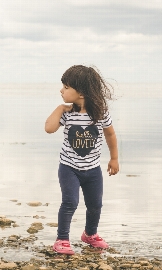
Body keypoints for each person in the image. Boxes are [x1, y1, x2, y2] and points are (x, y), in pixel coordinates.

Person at [45, 65, 120, 255]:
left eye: (66, 87)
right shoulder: (68, 113)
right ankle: (62, 239)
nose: (61, 90)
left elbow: (110, 135)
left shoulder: (100, 113)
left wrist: (114, 158)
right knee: (70, 202)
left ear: (82, 92)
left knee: (95, 204)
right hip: (69, 167)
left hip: (93, 169)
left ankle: (90, 235)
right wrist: (60, 108)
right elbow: (49, 128)